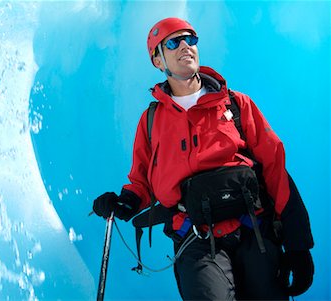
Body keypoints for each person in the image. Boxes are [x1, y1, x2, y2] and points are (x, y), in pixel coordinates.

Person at [92, 17, 315, 300]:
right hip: (195, 238)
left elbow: (275, 169)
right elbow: (142, 180)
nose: (186, 46)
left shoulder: (236, 104)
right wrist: (125, 201)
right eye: (173, 42)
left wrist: (298, 244)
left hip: (254, 230)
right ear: (158, 61)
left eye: (191, 39)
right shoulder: (151, 121)